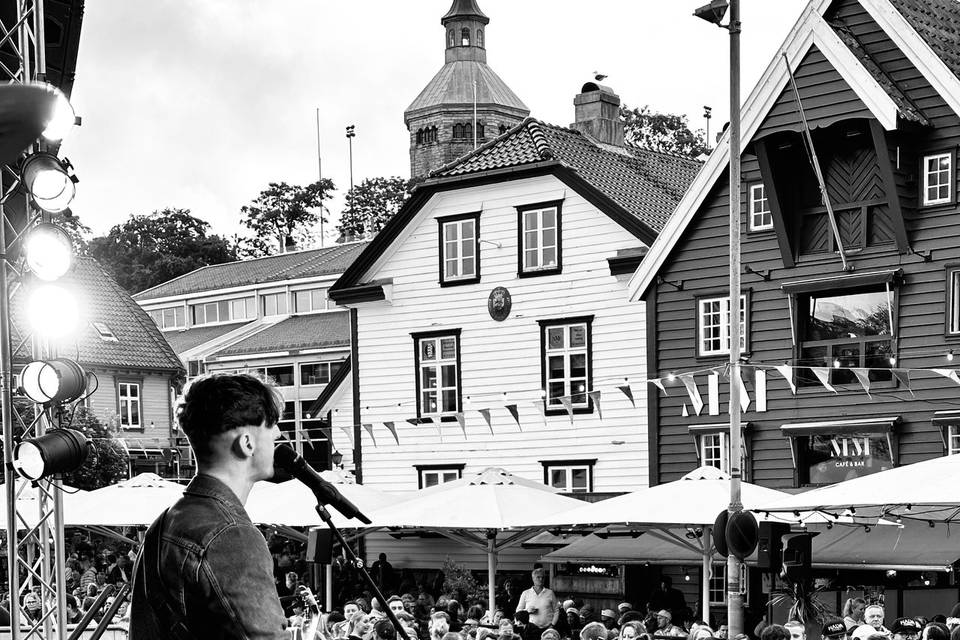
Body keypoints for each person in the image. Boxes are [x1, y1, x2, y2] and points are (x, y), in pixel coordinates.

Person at [129, 373, 288, 639]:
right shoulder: (230, 535)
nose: (279, 433)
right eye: (270, 424)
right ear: (246, 443)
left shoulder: (167, 521)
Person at [517, 568, 559, 634]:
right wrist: (527, 611)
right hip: (530, 629)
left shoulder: (550, 593)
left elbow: (556, 610)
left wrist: (552, 625)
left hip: (547, 628)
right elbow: (518, 611)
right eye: (538, 577)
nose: (541, 579)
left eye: (543, 577)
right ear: (533, 578)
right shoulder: (525, 593)